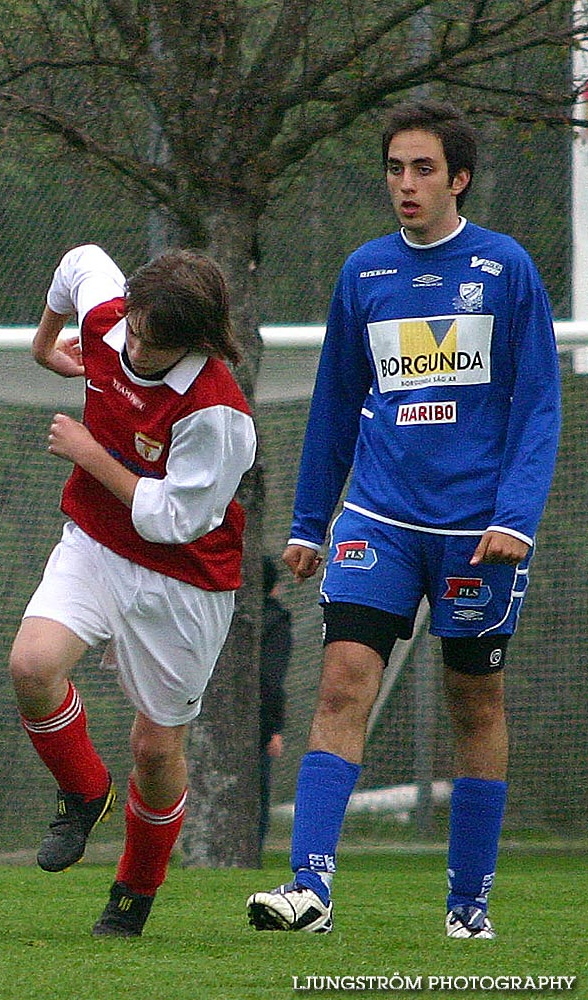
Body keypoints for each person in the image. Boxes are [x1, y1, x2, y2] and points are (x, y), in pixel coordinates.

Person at [247, 100, 560, 939]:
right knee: (343, 683)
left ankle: (468, 904)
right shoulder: (363, 274)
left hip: (475, 531)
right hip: (376, 519)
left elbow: (537, 405)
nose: (406, 185)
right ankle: (307, 889)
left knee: (473, 703)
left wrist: (515, 517)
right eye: (394, 168)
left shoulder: (504, 270)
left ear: (457, 178)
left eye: (423, 169)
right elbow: (335, 402)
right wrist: (310, 522)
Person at [11, 243, 257, 937]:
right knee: (31, 666)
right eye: (135, 327)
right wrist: (42, 344)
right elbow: (77, 260)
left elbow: (178, 520)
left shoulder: (217, 412)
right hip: (94, 542)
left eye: (155, 341)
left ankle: (134, 889)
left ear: (198, 342)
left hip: (183, 580)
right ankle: (83, 790)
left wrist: (90, 454)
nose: (135, 345)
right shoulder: (114, 317)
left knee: (154, 750)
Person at [258, 556, 291, 854]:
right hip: (258, 724)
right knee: (256, 796)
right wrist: (273, 729)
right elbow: (270, 679)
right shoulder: (276, 622)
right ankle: (248, 853)